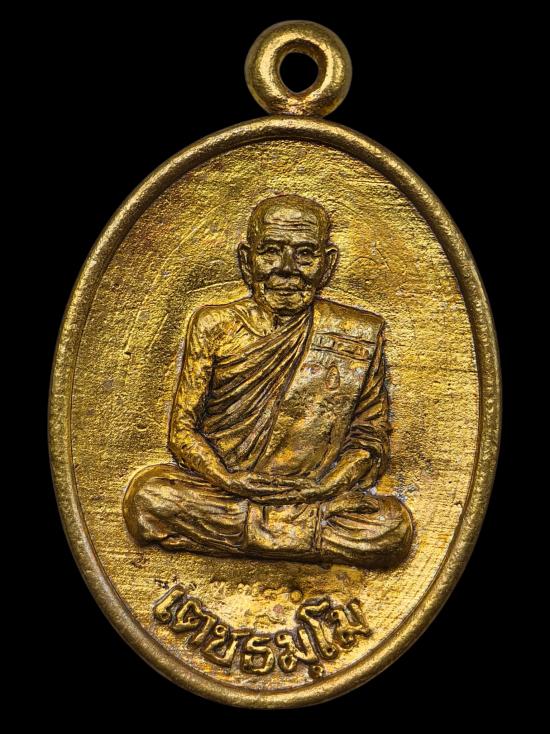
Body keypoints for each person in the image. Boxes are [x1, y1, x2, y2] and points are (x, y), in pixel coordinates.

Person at [123, 194, 413, 568]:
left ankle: (257, 534)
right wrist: (227, 479)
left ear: (327, 264)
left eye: (304, 254)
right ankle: (297, 536)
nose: (287, 269)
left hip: (312, 496)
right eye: (271, 252)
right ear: (247, 260)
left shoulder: (359, 333)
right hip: (228, 491)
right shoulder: (214, 325)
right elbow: (181, 432)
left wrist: (324, 487)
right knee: (148, 497)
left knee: (393, 526)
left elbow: (369, 438)